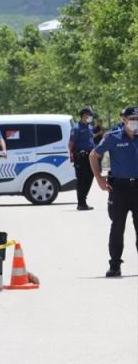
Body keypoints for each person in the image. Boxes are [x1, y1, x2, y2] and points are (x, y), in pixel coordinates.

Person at [90, 106, 138, 278]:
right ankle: (115, 265)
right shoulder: (113, 137)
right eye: (132, 119)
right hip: (119, 189)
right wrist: (99, 178)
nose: (135, 122)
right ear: (124, 119)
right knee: (117, 227)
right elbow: (93, 155)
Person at [69, 106, 96, 210]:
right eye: (89, 115)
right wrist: (73, 155)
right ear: (84, 116)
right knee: (81, 179)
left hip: (90, 156)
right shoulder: (76, 128)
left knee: (90, 177)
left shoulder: (89, 127)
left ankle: (83, 199)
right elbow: (71, 144)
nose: (91, 117)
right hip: (81, 157)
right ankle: (81, 203)